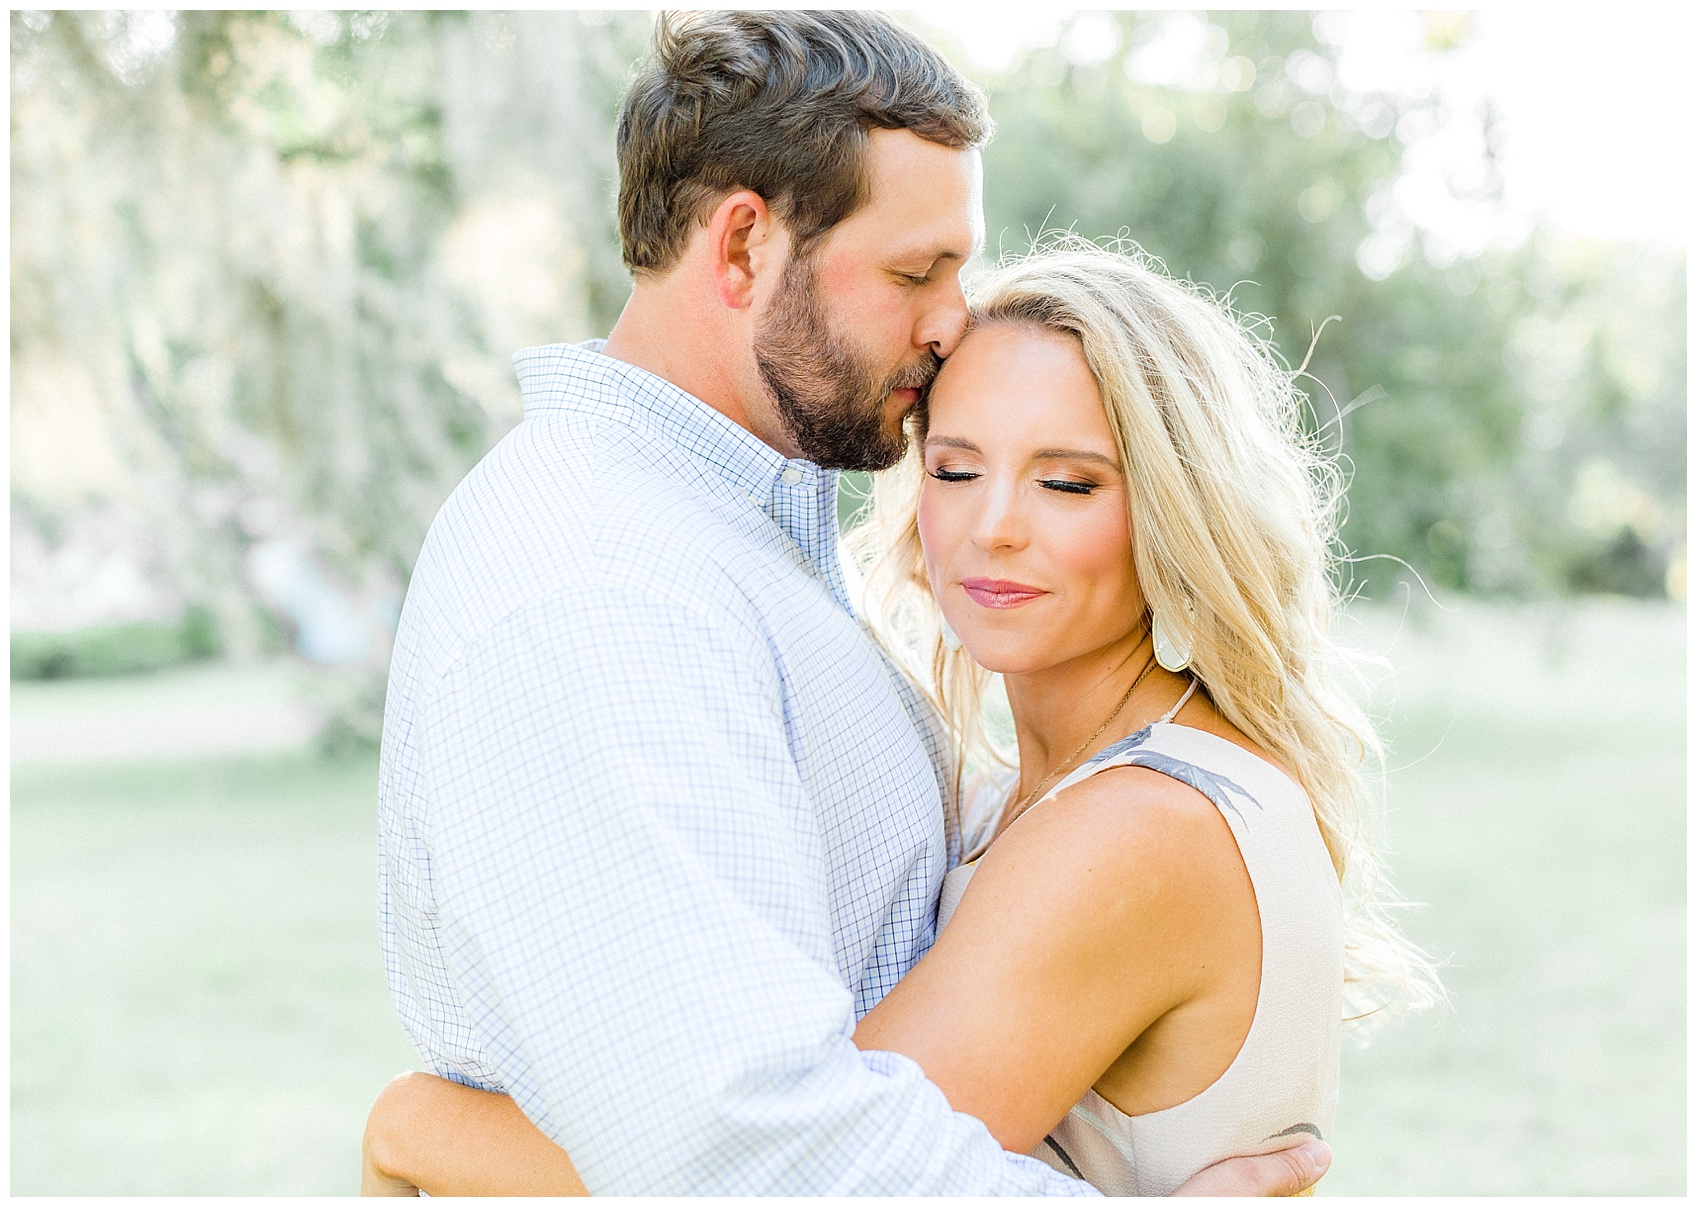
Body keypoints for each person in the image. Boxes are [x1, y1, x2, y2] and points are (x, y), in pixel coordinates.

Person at [371, 11, 1339, 1196]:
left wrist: (424, 1129)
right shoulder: (604, 581)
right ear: (740, 248)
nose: (951, 323)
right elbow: (752, 1156)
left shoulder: (727, 539)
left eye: (1068, 478)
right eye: (915, 271)